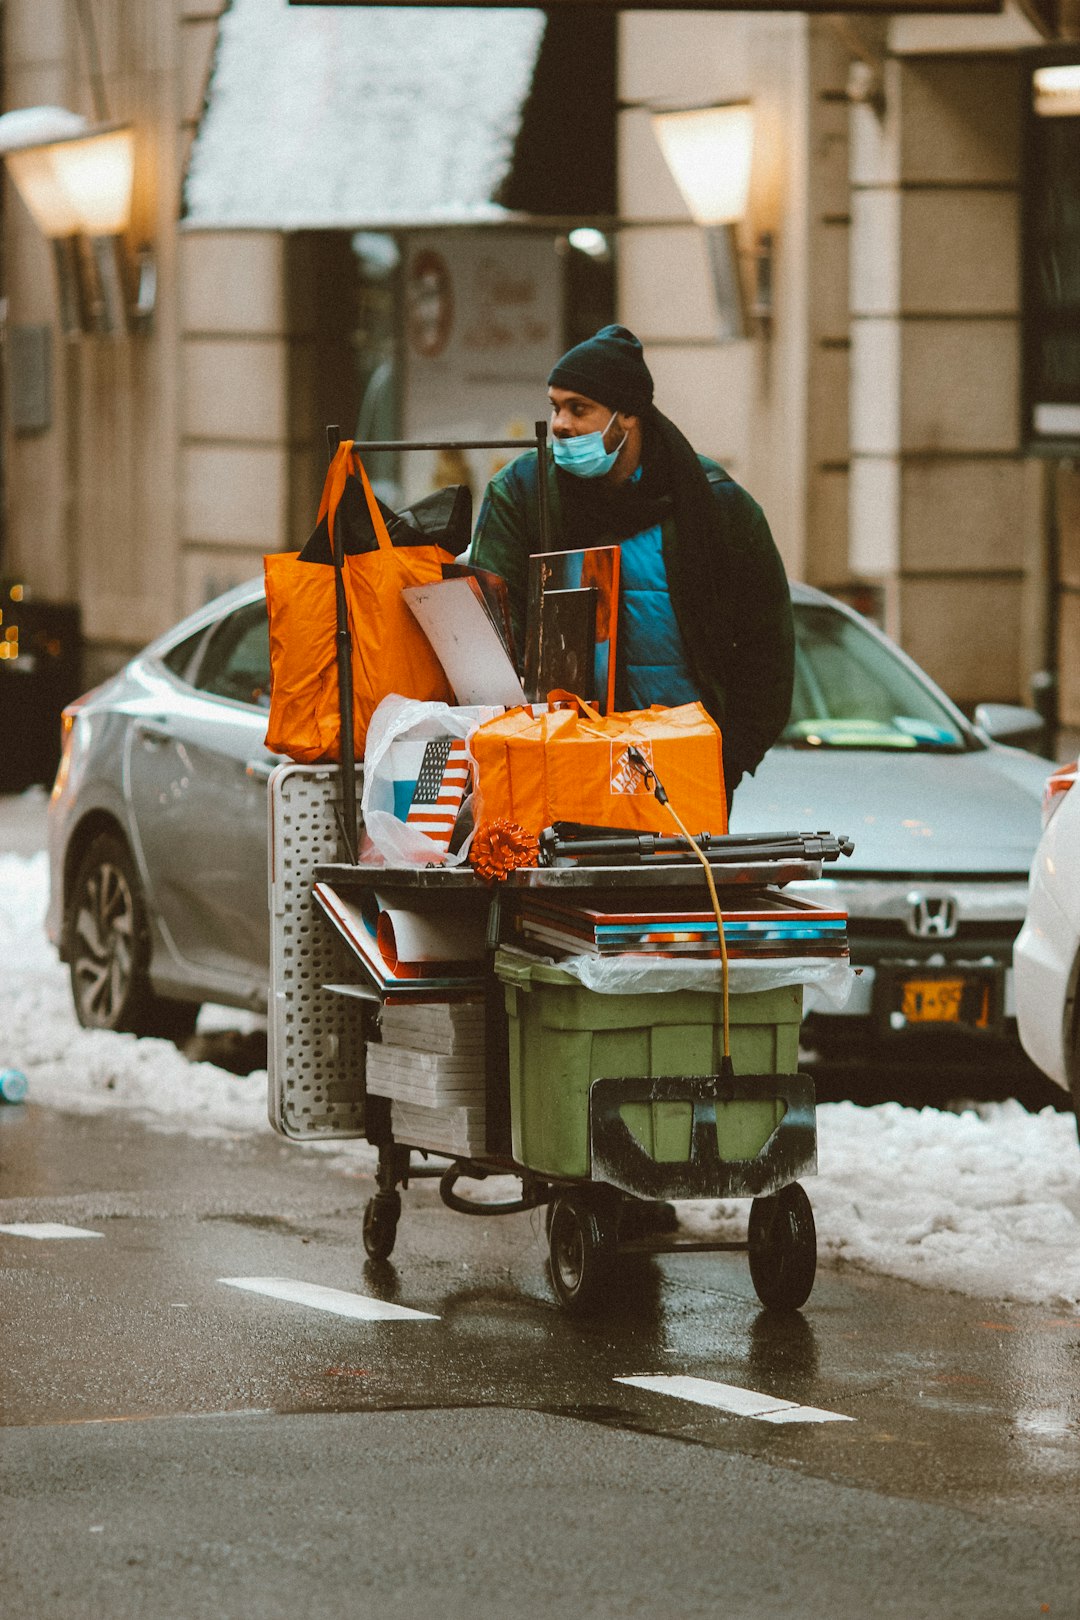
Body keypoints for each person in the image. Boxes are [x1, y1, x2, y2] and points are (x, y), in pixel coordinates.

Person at [471, 324, 795, 806]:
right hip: (559, 770)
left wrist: (728, 759)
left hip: (685, 770)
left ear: (627, 416)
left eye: (579, 408)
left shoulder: (713, 505)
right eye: (555, 406)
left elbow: (766, 649)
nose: (560, 424)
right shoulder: (524, 494)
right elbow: (488, 633)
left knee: (678, 883)